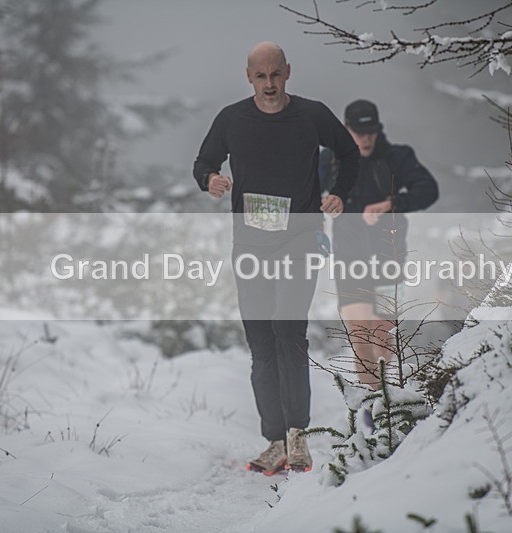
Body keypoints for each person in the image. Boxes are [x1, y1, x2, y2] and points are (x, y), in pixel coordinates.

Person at [193, 42, 360, 474]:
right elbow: (203, 161)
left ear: (288, 71)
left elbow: (349, 153)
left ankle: (298, 435)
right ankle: (275, 440)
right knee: (261, 342)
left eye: (275, 74)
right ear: (249, 77)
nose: (269, 84)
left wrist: (339, 193)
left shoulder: (312, 115)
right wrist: (210, 179)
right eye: (260, 76)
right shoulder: (232, 119)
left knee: (288, 329)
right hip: (251, 242)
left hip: (301, 235)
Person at [319, 99, 438, 399]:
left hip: (389, 256)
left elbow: (429, 190)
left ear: (378, 129)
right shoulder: (329, 160)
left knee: (382, 335)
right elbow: (306, 194)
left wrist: (391, 204)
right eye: (359, 133)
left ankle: (389, 404)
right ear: (346, 130)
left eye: (370, 132)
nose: (366, 139)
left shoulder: (397, 157)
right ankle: (370, 405)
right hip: (348, 256)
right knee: (360, 334)